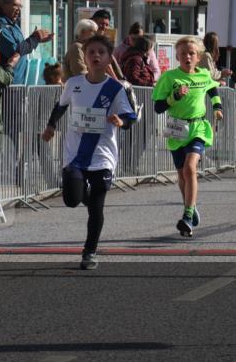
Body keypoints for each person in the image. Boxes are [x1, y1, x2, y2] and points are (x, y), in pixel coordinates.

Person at [42, 35, 137, 270]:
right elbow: (61, 105)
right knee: (72, 200)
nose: (95, 56)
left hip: (103, 156)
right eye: (91, 52)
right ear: (84, 57)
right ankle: (81, 191)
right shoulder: (74, 82)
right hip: (75, 155)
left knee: (96, 207)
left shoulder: (115, 88)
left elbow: (130, 117)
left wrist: (120, 121)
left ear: (108, 59)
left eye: (101, 52)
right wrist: (51, 125)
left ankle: (90, 251)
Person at [153, 36, 223, 237]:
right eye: (183, 53)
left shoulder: (203, 75)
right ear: (177, 56)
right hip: (177, 129)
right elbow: (158, 107)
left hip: (198, 127)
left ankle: (187, 214)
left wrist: (217, 106)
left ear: (199, 57)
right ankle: (191, 207)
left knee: (190, 168)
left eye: (191, 53)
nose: (187, 57)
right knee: (182, 174)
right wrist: (174, 97)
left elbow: (212, 88)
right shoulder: (169, 77)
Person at [0, 0, 53, 85]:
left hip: (18, 82)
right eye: (15, 5)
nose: (18, 10)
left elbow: (22, 46)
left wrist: (35, 39)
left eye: (20, 6)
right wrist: (34, 39)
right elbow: (15, 52)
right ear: (3, 5)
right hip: (7, 84)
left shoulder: (13, 25)